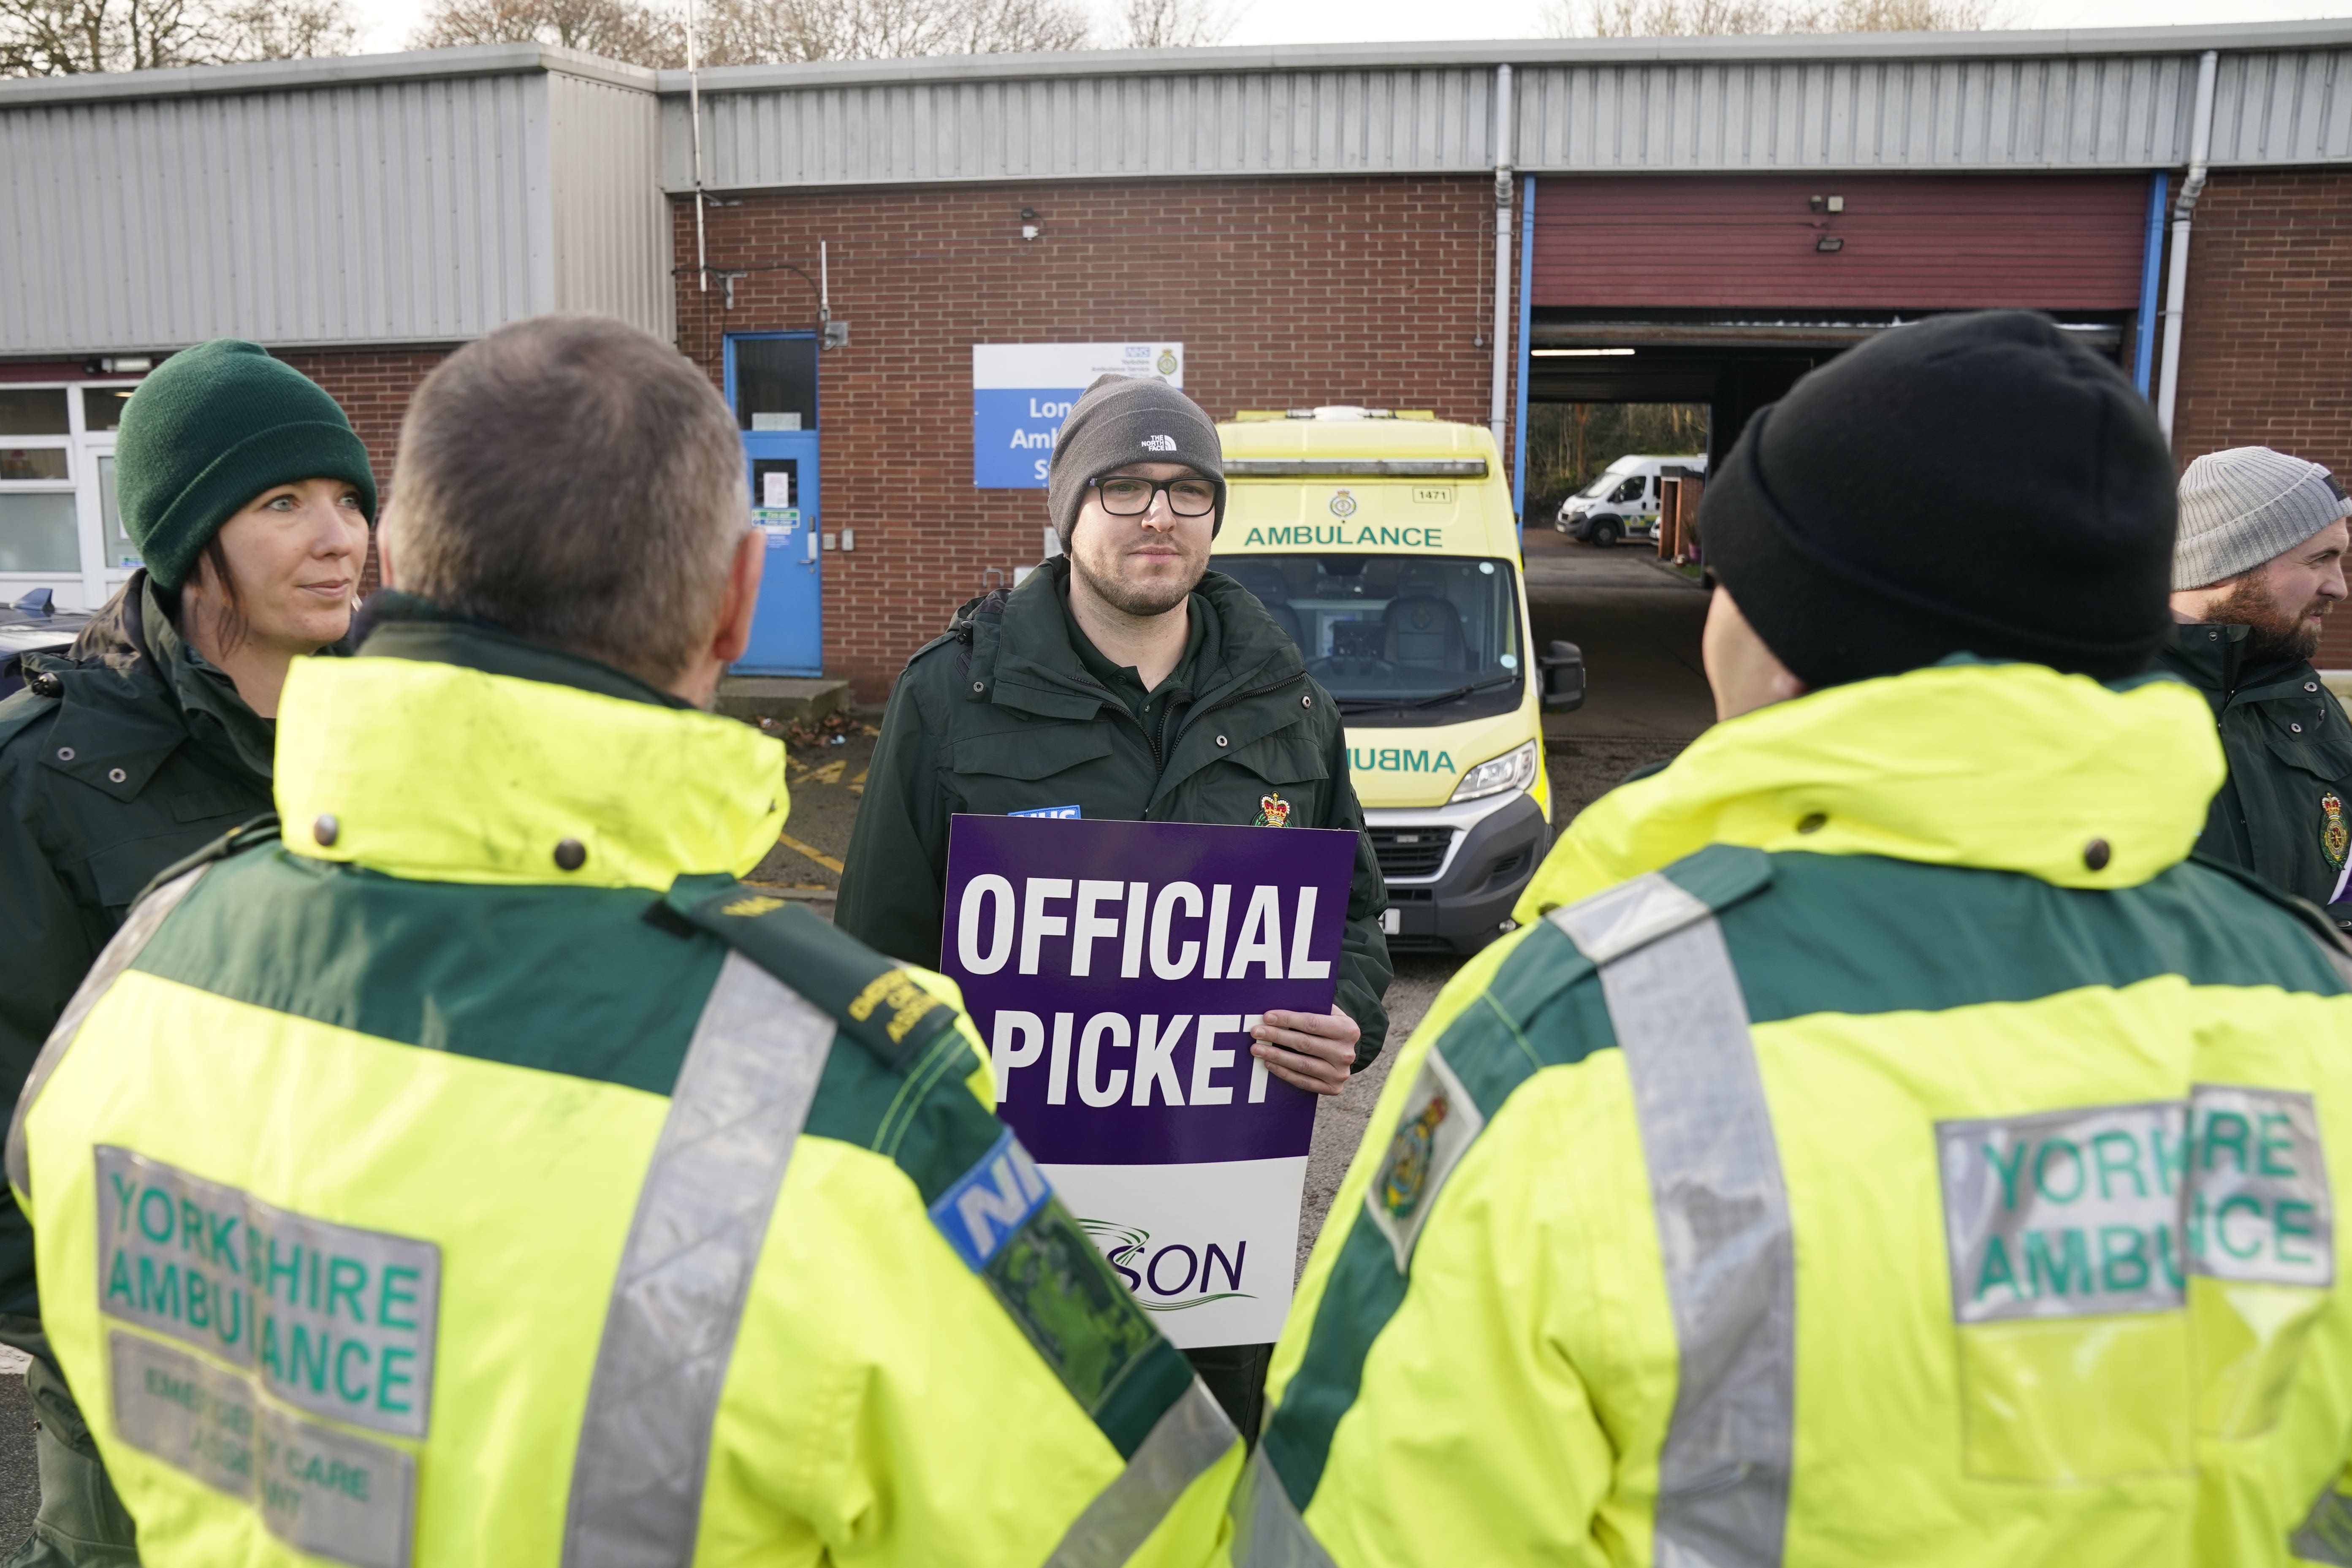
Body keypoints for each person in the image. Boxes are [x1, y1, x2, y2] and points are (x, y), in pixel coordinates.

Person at [6, 317, 1239, 1566]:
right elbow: (1147, 1530)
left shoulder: (150, 967)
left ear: (398, 556)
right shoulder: (852, 1110)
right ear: (737, 600)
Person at [1239, 312, 2352, 1566]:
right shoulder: (2315, 1002)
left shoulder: (1564, 1040)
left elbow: (1365, 1530)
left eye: (1729, 580)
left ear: (1780, 634)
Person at [835, 373, 1392, 1442]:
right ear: (1069, 508)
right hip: (1006, 1214)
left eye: (1188, 490)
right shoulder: (952, 694)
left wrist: (1348, 1015)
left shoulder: (1290, 705)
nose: (1157, 514)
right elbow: (874, 964)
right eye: (1124, 486)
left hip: (1212, 1232)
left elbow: (1354, 915)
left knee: (1199, 1486)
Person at [0, 338, 376, 1567]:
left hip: (359, 1340)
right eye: (282, 503)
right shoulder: (52, 777)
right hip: (139, 1353)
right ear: (185, 535)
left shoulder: (395, 739)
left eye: (346, 500)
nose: (338, 537)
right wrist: (91, 1335)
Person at [2161, 446, 2352, 923]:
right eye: (2320, 560)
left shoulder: (2311, 707)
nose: (2339, 587)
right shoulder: (2098, 699)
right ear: (2230, 560)